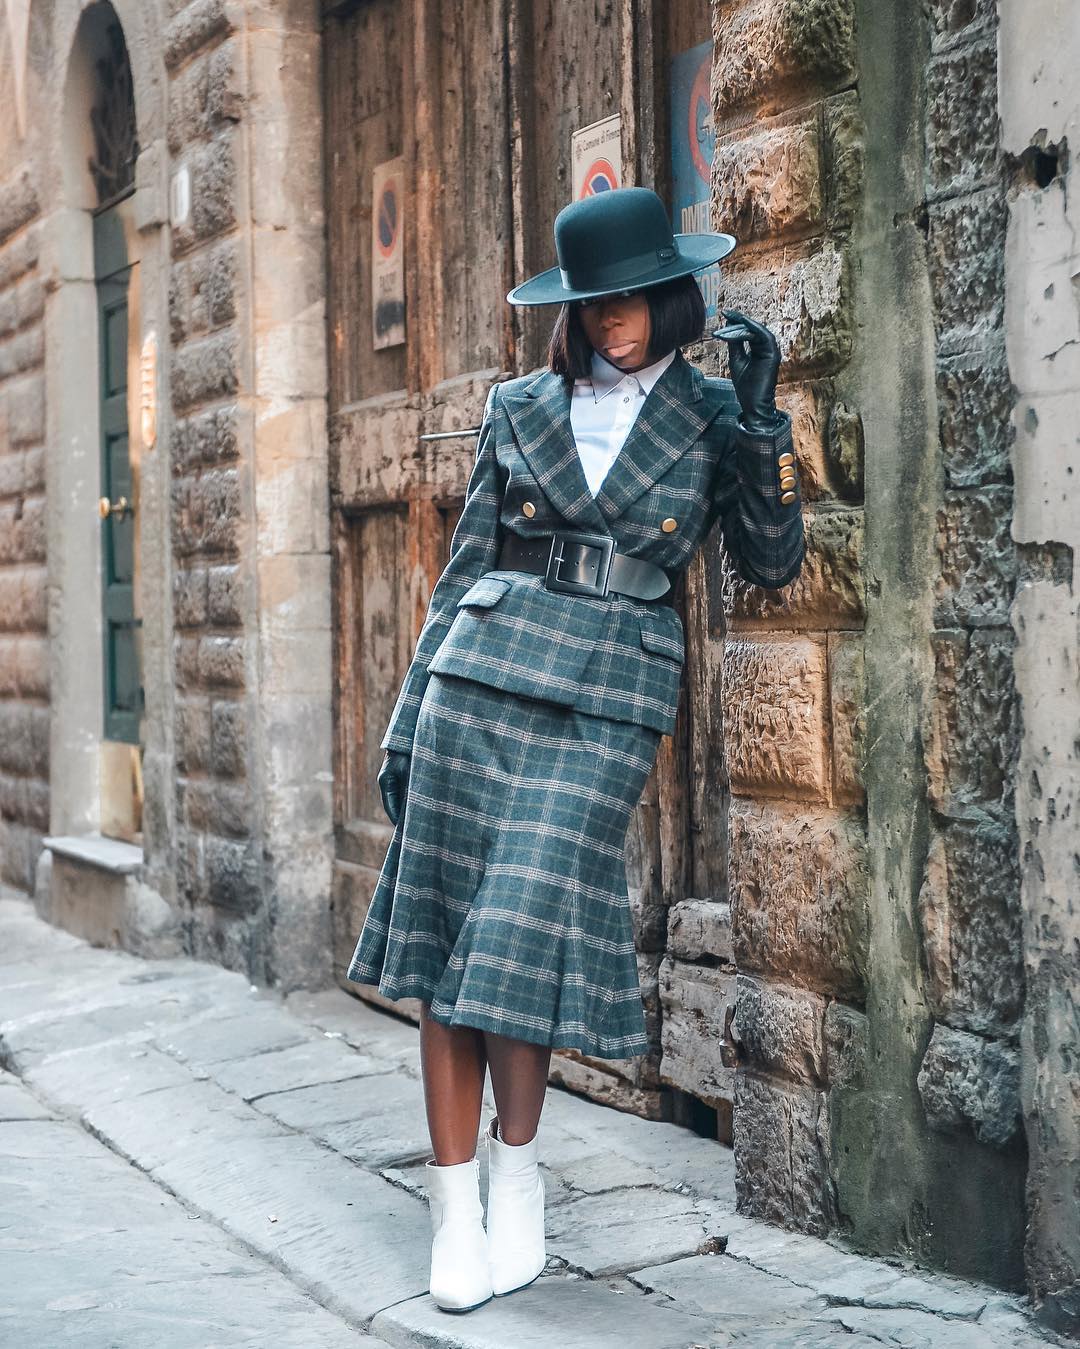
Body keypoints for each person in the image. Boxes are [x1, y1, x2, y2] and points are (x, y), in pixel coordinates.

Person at [346, 186, 805, 1313]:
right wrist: (409, 713)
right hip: (479, 680)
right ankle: (460, 1210)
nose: (612, 320)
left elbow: (772, 558)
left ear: (669, 290)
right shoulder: (518, 404)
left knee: (517, 932)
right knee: (452, 948)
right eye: (593, 301)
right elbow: (461, 576)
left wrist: (762, 425)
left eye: (632, 297)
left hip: (606, 694)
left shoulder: (707, 412)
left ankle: (520, 1169)